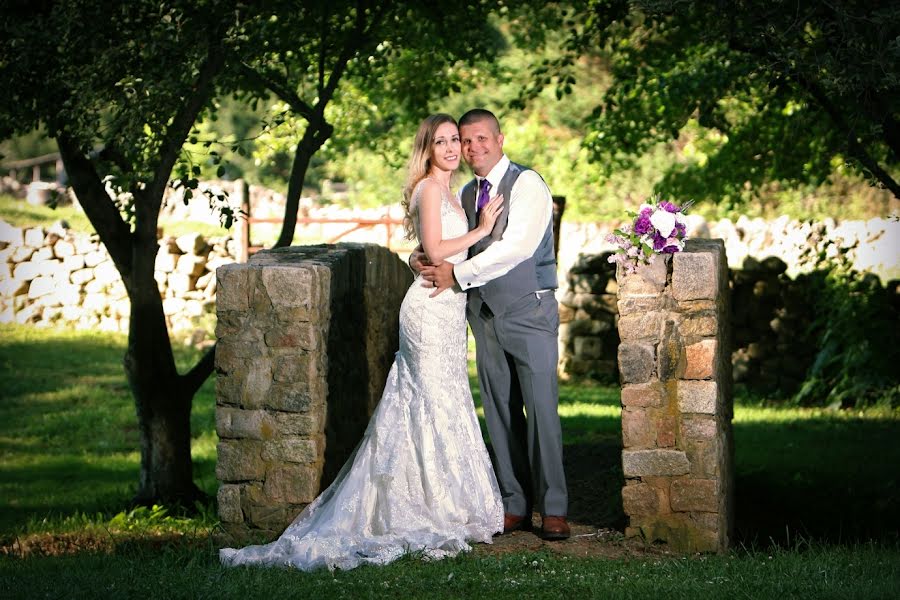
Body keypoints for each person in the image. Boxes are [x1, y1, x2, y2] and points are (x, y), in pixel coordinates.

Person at [220, 114, 505, 571]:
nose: (452, 148)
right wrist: (482, 232)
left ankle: (450, 499)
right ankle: (420, 506)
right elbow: (435, 252)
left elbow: (428, 250)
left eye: (456, 140)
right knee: (427, 401)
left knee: (444, 399)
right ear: (427, 149)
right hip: (428, 312)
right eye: (442, 141)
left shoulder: (451, 190)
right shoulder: (430, 189)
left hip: (449, 310)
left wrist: (428, 252)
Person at [417, 108, 569, 540]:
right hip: (483, 316)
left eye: (482, 138)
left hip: (529, 312)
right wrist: (420, 258)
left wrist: (457, 276)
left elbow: (517, 247)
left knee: (541, 411)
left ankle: (554, 508)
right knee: (500, 414)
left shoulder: (528, 184)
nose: (473, 147)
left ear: (500, 139)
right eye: (465, 141)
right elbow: (447, 245)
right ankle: (514, 503)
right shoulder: (465, 193)